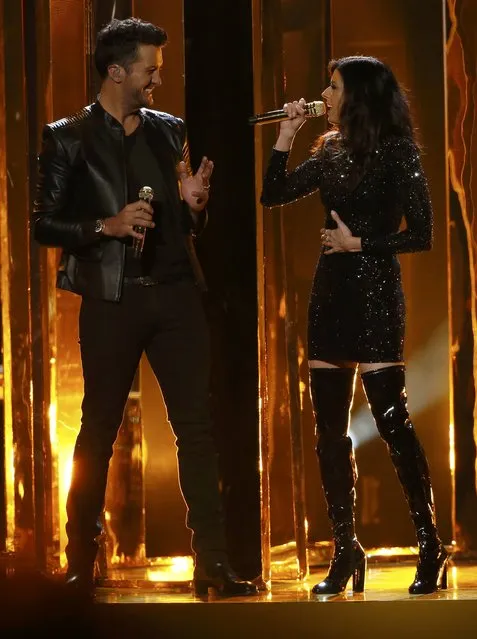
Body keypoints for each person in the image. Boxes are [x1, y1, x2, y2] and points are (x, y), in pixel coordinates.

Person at [33, 17, 257, 598]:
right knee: (97, 432)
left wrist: (193, 205)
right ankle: (81, 560)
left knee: (197, 432)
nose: (158, 78)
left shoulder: (168, 129)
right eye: (149, 70)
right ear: (116, 71)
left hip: (177, 294)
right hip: (113, 299)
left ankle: (213, 562)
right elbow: (43, 224)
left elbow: (185, 216)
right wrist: (106, 225)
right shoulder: (67, 138)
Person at [260, 55, 448, 595]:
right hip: (331, 294)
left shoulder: (396, 152)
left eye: (334, 85)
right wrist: (287, 134)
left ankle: (430, 542)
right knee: (327, 430)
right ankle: (346, 549)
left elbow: (423, 233)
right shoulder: (330, 151)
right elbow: (273, 194)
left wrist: (359, 243)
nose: (325, 92)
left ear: (358, 96)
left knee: (391, 418)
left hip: (375, 290)